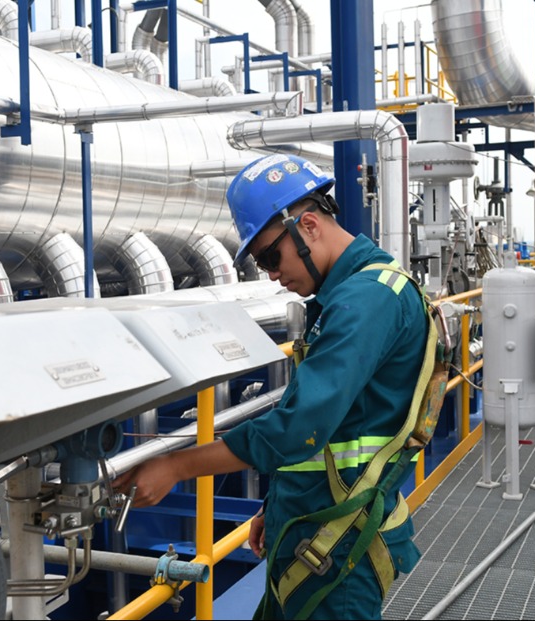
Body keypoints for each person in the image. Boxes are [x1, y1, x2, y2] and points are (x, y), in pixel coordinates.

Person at [112, 154, 431, 620]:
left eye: (269, 256)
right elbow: (334, 428)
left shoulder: (367, 301)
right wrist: (274, 503)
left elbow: (297, 429)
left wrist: (176, 467)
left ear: (309, 226)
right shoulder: (349, 295)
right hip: (310, 525)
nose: (271, 275)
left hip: (337, 546)